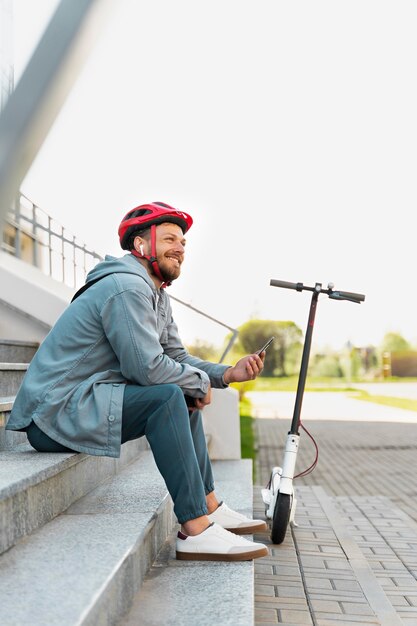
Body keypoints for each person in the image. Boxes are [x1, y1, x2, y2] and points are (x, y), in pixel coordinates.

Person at [6, 201, 269, 561]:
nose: (180, 248)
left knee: (182, 393)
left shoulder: (156, 293)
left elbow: (175, 358)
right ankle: (194, 528)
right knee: (167, 397)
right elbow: (146, 368)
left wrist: (226, 374)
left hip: (86, 404)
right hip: (54, 414)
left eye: (184, 242)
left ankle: (207, 503)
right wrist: (195, 383)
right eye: (170, 239)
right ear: (142, 245)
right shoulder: (126, 287)